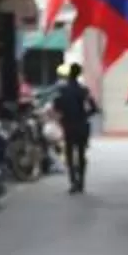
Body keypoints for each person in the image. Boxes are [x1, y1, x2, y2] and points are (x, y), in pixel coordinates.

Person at [43, 61, 100, 192]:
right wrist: (85, 115)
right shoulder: (83, 91)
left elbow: (56, 107)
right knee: (81, 154)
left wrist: (61, 116)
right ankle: (81, 182)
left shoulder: (63, 91)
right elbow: (94, 108)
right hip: (82, 124)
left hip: (68, 125)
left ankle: (73, 181)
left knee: (69, 153)